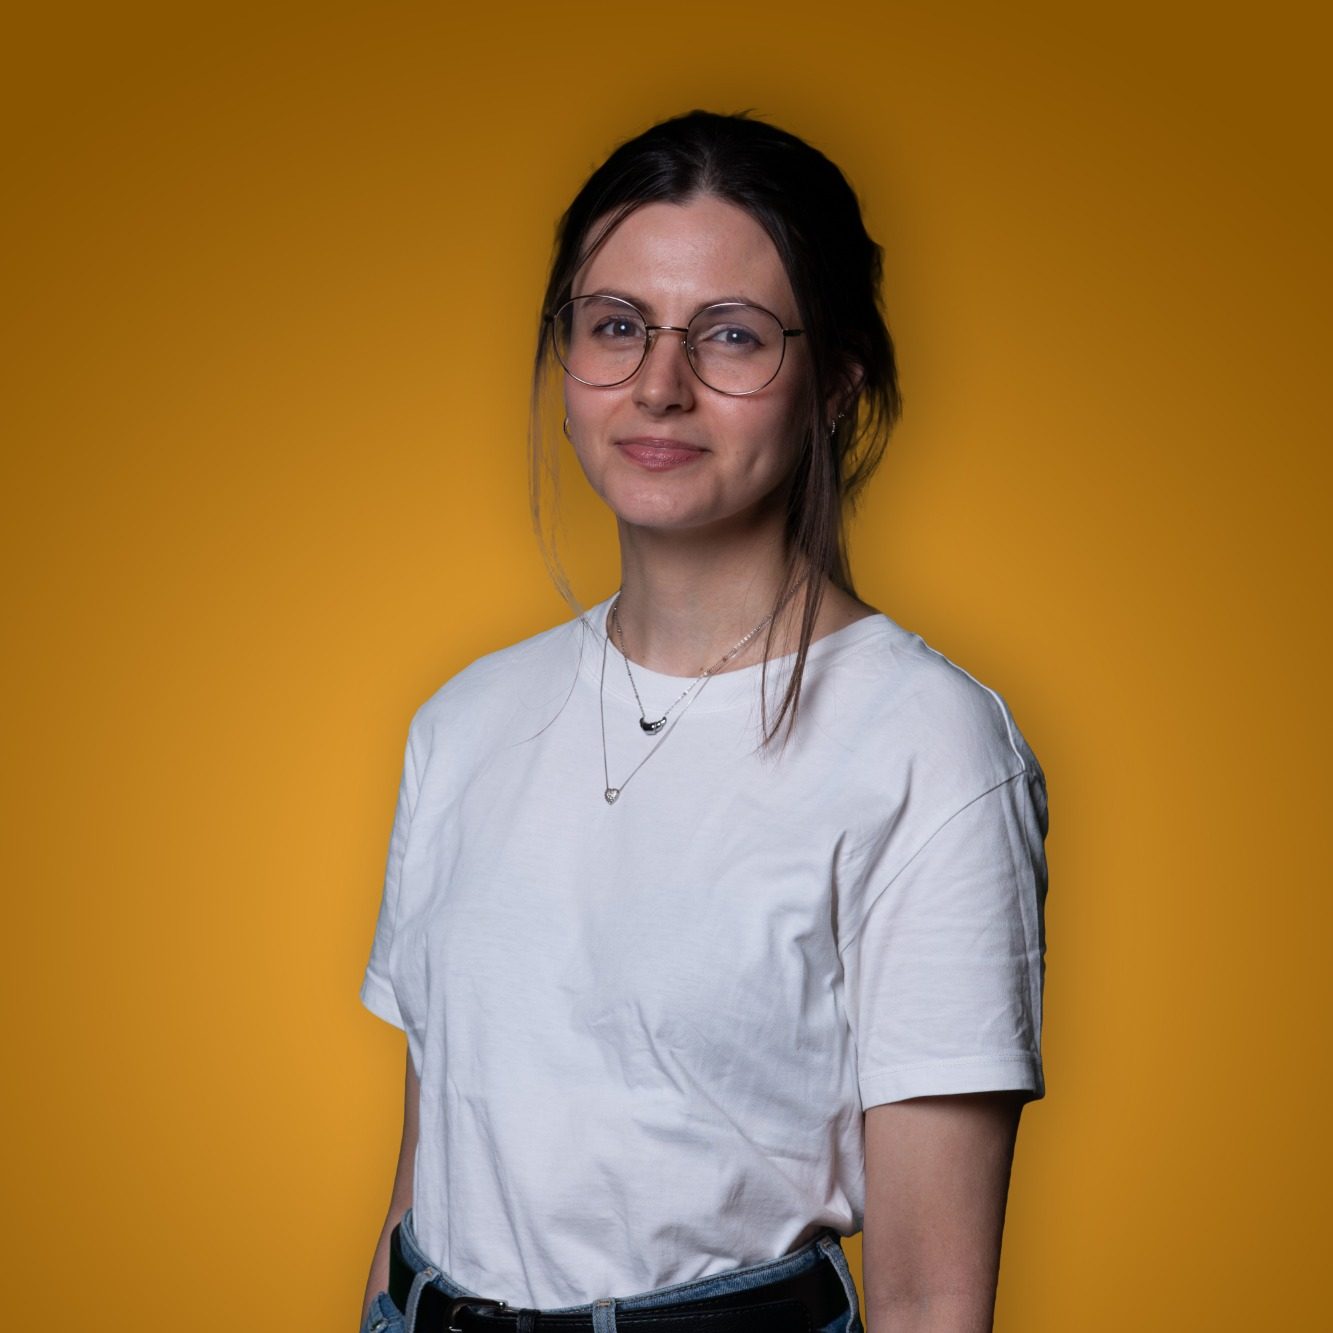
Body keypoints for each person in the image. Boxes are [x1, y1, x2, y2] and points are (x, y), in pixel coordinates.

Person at [357, 110, 1049, 1333]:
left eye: (730, 336)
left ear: (835, 381)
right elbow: (440, 1160)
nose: (659, 386)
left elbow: (933, 1299)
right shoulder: (463, 722)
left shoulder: (926, 748)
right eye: (615, 326)